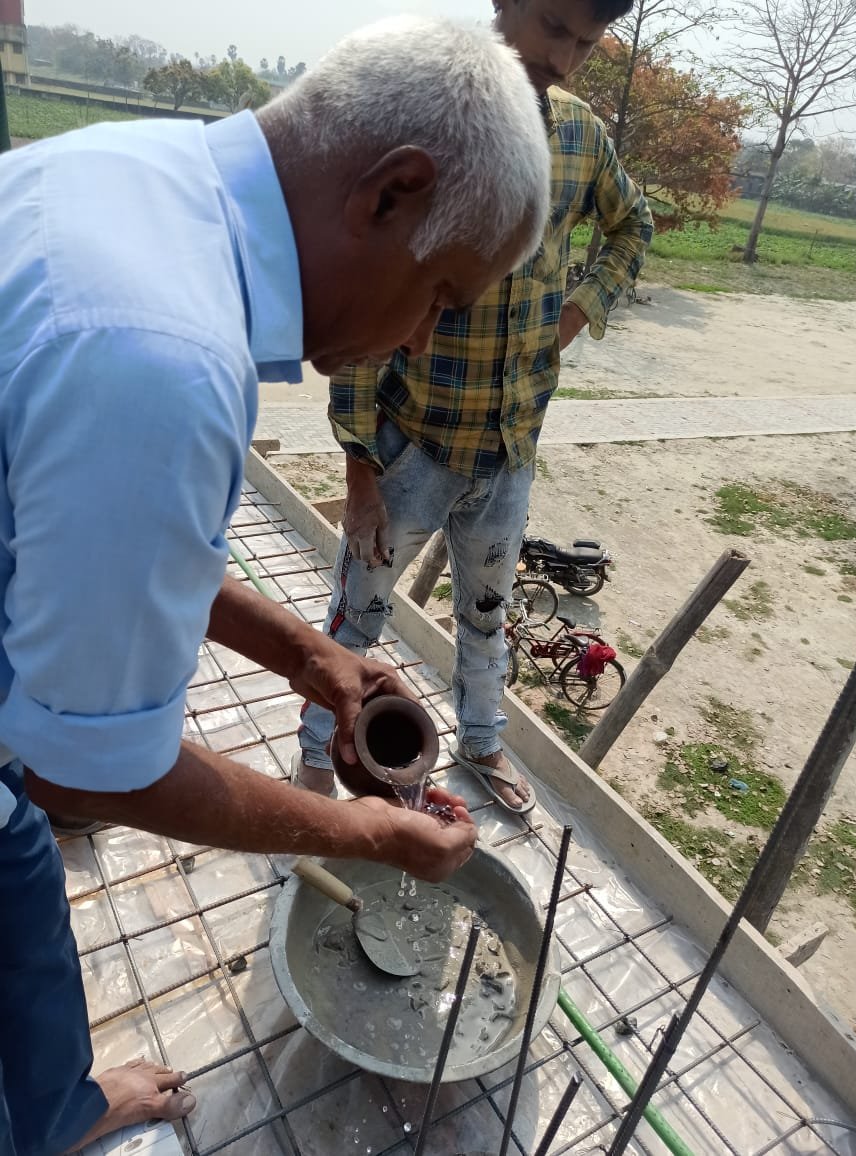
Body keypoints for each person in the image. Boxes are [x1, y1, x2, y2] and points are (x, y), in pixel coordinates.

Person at [0, 18, 551, 1155]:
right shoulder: (162, 359)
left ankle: (56, 1108)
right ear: (391, 194)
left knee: (16, 870)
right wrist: (365, 835)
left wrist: (309, 655)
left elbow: (96, 532)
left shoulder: (132, 177)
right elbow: (87, 767)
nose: (422, 339)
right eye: (442, 297)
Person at [296, 0, 655, 814]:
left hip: (511, 448)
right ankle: (317, 756)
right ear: (504, 4)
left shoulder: (580, 136)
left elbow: (632, 228)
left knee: (487, 615)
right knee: (358, 615)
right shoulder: (429, 133)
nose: (563, 59)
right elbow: (364, 306)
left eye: (586, 44)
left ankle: (482, 740)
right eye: (553, 28)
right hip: (410, 450)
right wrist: (359, 474)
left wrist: (577, 311)